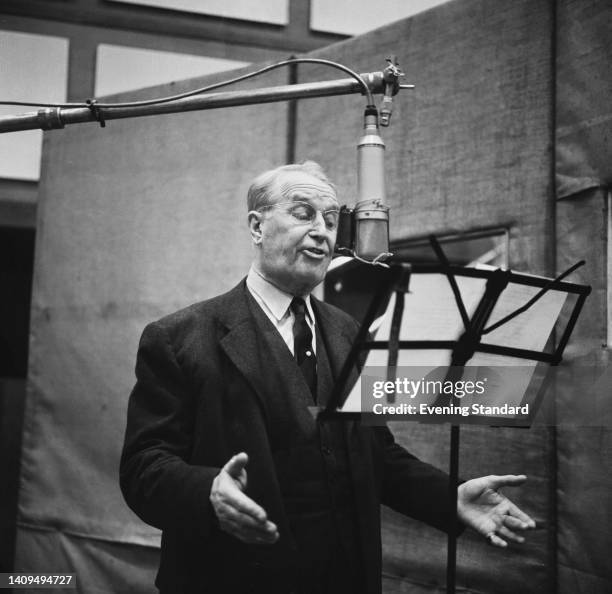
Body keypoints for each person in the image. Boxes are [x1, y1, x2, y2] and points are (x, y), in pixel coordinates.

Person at [120, 161, 535, 594]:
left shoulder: (347, 332)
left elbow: (377, 456)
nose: (322, 231)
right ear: (257, 226)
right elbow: (143, 469)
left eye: (331, 220)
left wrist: (448, 497)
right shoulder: (179, 338)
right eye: (303, 214)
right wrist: (208, 492)